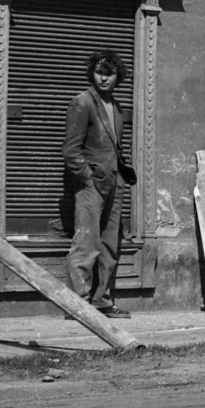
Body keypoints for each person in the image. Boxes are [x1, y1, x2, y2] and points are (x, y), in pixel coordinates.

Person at [63, 48, 137, 317]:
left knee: (109, 246)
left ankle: (102, 301)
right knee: (86, 244)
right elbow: (71, 151)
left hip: (114, 183)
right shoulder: (82, 102)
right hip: (91, 185)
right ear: (91, 74)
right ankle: (77, 306)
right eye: (99, 73)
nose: (104, 79)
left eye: (110, 74)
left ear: (119, 77)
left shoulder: (117, 107)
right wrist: (87, 178)